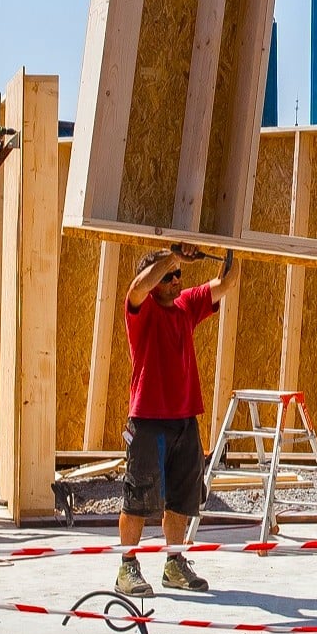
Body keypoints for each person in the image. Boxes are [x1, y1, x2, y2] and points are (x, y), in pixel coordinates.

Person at [114, 242, 241, 598]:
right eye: (168, 276)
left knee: (182, 499)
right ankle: (127, 566)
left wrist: (231, 245)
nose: (176, 280)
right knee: (138, 498)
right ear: (154, 279)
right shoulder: (140, 308)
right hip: (148, 419)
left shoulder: (186, 306)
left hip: (185, 419)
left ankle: (174, 562)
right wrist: (173, 256)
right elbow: (136, 288)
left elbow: (226, 283)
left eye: (178, 275)